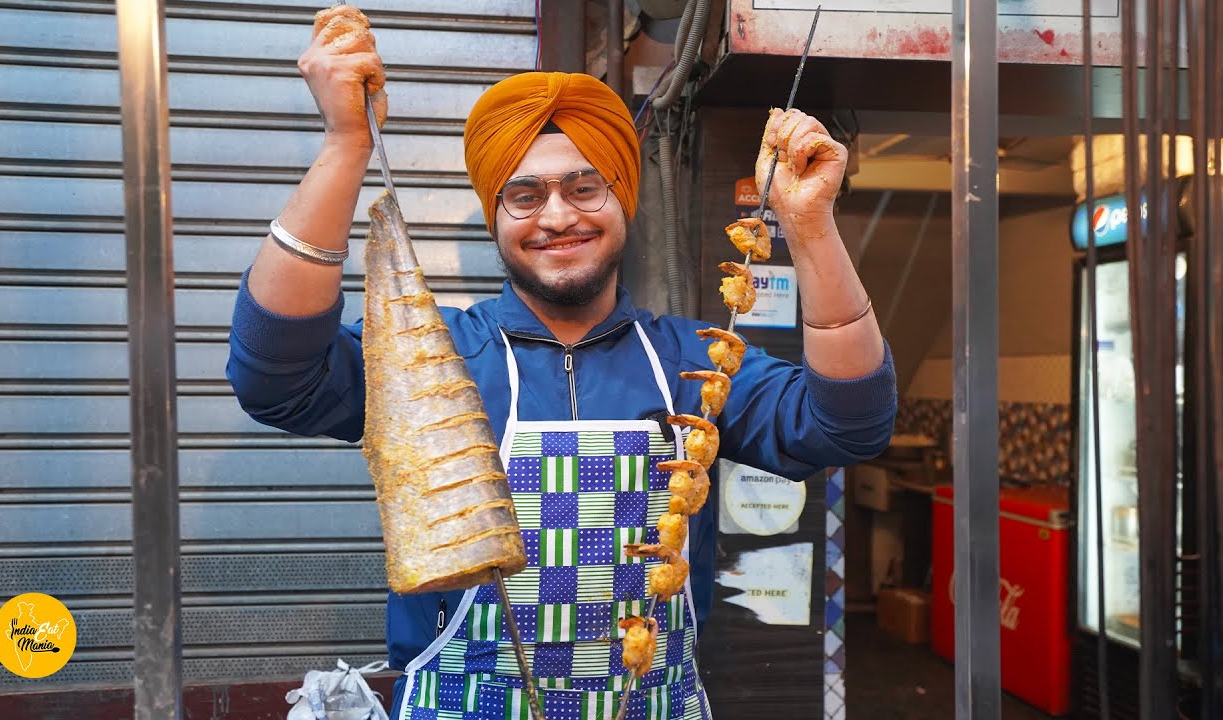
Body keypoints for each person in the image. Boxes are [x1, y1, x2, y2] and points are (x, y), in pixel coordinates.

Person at [227, 6, 896, 719]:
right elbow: (275, 377)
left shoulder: (691, 362)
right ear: (495, 215)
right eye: (524, 194)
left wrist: (810, 226)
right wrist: (346, 146)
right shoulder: (435, 353)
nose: (557, 216)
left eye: (585, 187)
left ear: (622, 200)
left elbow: (848, 424)